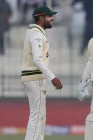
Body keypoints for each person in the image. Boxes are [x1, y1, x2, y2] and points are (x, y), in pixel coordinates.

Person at [21, 6, 63, 140]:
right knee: (37, 115)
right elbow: (37, 59)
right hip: (35, 77)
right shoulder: (36, 34)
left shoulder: (35, 32)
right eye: (49, 16)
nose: (52, 18)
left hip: (33, 77)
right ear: (40, 17)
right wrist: (53, 77)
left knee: (39, 115)